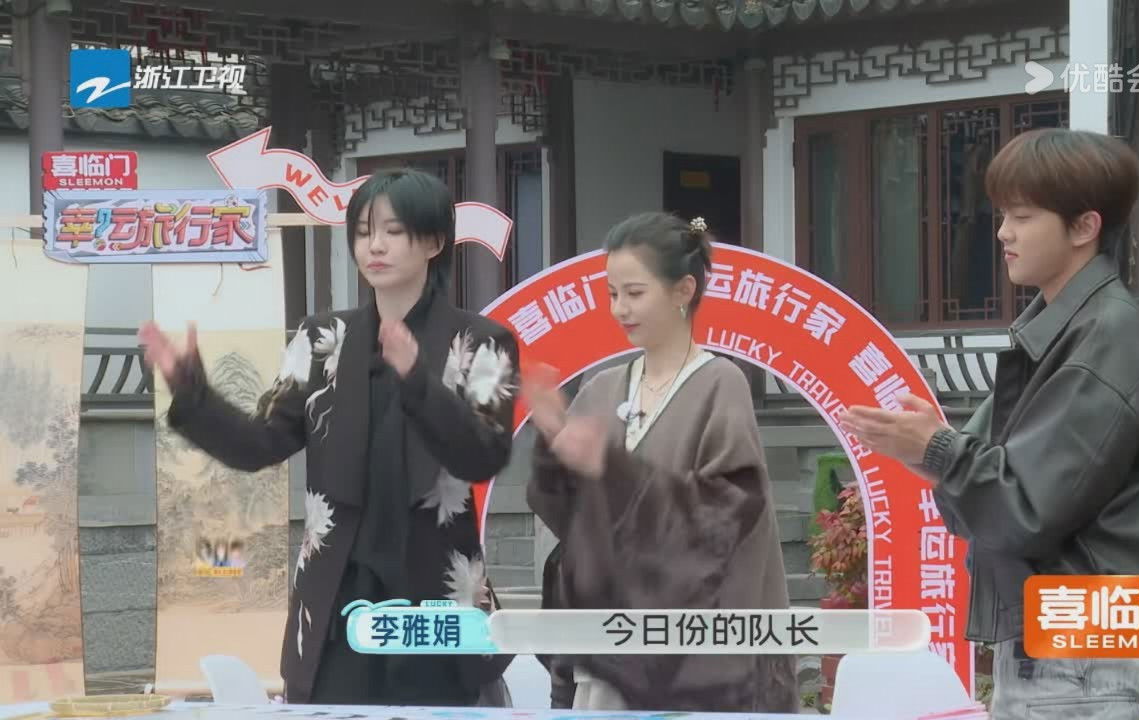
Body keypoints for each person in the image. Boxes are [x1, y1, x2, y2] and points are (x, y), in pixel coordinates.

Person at [839, 128, 1139, 718]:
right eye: (1003, 215)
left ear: (1084, 227)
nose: (1003, 232)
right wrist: (927, 450)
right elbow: (991, 494)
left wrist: (939, 450)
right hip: (1061, 643)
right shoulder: (1066, 329)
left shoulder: (1104, 337)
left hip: (1079, 653)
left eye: (1023, 217)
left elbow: (1026, 510)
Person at [139, 169, 519, 706]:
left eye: (393, 231)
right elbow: (260, 444)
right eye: (363, 232)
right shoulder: (322, 338)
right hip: (337, 598)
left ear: (434, 242)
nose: (375, 246)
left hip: (436, 603)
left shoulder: (482, 340)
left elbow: (483, 455)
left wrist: (418, 381)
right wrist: (192, 393)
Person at [523, 212, 799, 712]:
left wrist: (610, 466)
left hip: (692, 660)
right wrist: (554, 452)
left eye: (634, 293)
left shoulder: (720, 384)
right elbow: (572, 523)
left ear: (682, 290)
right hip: (609, 648)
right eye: (612, 294)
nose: (620, 309)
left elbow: (725, 515)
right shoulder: (603, 388)